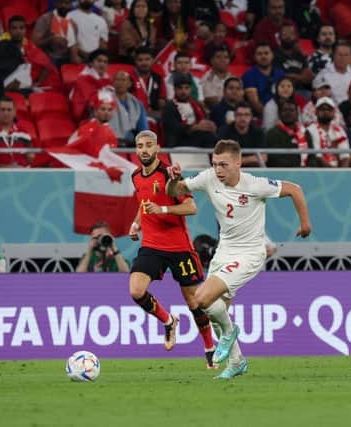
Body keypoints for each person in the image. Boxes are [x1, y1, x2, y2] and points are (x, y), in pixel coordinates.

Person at [166, 139, 312, 379]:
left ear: (238, 163)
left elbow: (295, 189)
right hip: (224, 251)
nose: (218, 170)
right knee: (215, 312)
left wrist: (305, 223)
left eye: (223, 165)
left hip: (250, 253)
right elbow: (175, 191)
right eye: (215, 164)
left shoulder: (255, 184)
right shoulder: (209, 178)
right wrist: (173, 179)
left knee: (201, 299)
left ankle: (228, 332)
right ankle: (237, 362)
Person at [127, 130, 218, 367]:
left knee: (194, 302)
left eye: (148, 145)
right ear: (136, 150)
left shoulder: (169, 175)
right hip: (151, 245)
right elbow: (143, 203)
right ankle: (168, 322)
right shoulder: (135, 176)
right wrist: (137, 223)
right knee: (136, 291)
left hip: (179, 248)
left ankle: (209, 346)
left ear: (157, 148)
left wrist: (163, 210)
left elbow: (191, 207)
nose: (144, 150)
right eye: (139, 146)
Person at [163, 73, 217, 148]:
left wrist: (208, 124)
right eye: (180, 88)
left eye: (186, 88)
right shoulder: (169, 107)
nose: (183, 91)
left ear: (190, 89)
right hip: (180, 141)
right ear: (174, 89)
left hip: (198, 136)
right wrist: (194, 127)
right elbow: (174, 128)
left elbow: (203, 120)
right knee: (208, 138)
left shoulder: (196, 104)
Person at [0, 96, 34, 167]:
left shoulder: (24, 133)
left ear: (14, 112)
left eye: (9, 110)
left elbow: (31, 158)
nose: (6, 113)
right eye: (3, 110)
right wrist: (5, 167)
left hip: (22, 174)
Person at [32, 0, 82, 67]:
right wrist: (51, 39)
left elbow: (73, 49)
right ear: (56, 3)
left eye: (66, 3)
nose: (63, 5)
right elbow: (34, 43)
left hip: (66, 61)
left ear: (70, 5)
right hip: (46, 59)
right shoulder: (45, 19)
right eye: (61, 2)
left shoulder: (73, 24)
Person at [242, 42, 285, 116]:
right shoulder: (249, 75)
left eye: (266, 53)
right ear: (255, 57)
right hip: (260, 116)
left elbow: (286, 97)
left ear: (272, 55)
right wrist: (270, 117)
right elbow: (255, 103)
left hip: (281, 113)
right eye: (259, 54)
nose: (263, 56)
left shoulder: (281, 74)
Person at [306, 96, 350, 168]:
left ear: (333, 112)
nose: (326, 112)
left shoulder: (340, 130)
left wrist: (342, 173)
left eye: (329, 109)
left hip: (338, 171)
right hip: (319, 170)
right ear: (316, 112)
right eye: (322, 109)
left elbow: (345, 157)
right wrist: (333, 172)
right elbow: (318, 157)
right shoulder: (310, 130)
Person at [217, 102, 266, 167]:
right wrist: (252, 159)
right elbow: (221, 159)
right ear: (234, 116)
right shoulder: (224, 131)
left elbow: (264, 158)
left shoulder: (258, 132)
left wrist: (235, 161)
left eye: (246, 115)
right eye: (239, 115)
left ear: (251, 116)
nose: (243, 118)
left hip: (253, 172)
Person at [69, 49, 112, 122]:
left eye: (105, 62)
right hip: (87, 116)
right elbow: (89, 103)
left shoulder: (108, 79)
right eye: (99, 61)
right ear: (91, 63)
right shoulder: (83, 79)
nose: (102, 64)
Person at [265, 98, 310, 167]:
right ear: (279, 113)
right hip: (282, 174)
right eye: (285, 110)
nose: (288, 113)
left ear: (297, 113)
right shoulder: (272, 133)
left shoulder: (305, 132)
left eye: (292, 110)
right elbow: (274, 159)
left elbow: (312, 157)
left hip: (307, 173)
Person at [108, 71, 149, 146]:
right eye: (117, 80)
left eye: (123, 80)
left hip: (131, 144)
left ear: (129, 84)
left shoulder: (137, 104)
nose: (120, 83)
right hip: (110, 142)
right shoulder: (105, 100)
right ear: (113, 83)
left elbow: (143, 130)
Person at [273, 22, 314, 92]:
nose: (288, 37)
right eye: (285, 34)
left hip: (301, 90)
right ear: (279, 36)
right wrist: (301, 77)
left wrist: (294, 77)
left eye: (291, 34)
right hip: (282, 90)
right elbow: (282, 77)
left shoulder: (300, 55)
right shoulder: (275, 55)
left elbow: (309, 77)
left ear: (295, 36)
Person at [131, 47, 166, 120]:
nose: (144, 63)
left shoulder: (158, 78)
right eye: (140, 60)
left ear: (152, 60)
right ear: (135, 61)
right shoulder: (129, 79)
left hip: (155, 115)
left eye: (147, 59)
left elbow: (162, 101)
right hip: (136, 116)